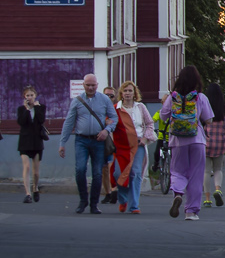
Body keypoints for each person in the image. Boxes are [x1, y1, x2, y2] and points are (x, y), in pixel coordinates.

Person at [159, 65, 215, 221]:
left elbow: (163, 116)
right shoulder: (200, 97)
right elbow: (209, 119)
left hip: (177, 141)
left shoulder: (172, 97)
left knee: (178, 171)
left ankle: (178, 193)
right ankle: (191, 211)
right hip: (197, 140)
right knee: (196, 175)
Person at [58, 74, 117, 214]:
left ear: (97, 85)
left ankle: (94, 204)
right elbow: (69, 122)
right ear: (83, 85)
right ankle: (83, 200)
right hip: (81, 140)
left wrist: (107, 130)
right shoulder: (77, 100)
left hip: (98, 141)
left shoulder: (104, 99)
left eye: (93, 85)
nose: (90, 88)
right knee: (80, 169)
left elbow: (114, 117)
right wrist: (62, 142)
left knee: (97, 172)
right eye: (88, 85)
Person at [115, 81, 154, 213]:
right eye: (125, 91)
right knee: (118, 173)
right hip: (122, 146)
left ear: (134, 93)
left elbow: (149, 123)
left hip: (138, 145)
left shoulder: (140, 107)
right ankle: (123, 199)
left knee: (135, 173)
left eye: (130, 91)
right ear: (121, 93)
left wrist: (145, 138)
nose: (127, 93)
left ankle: (134, 205)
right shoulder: (116, 108)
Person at [201, 82, 225, 208]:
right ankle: (218, 189)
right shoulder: (224, 109)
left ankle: (207, 198)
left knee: (206, 171)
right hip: (220, 143)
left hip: (205, 142)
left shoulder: (204, 107)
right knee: (218, 169)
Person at [16, 86, 46, 203]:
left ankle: (35, 188)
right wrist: (27, 109)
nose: (29, 97)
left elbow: (41, 120)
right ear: (24, 97)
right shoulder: (21, 109)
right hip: (25, 141)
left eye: (31, 95)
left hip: (37, 141)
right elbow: (21, 122)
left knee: (36, 172)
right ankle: (27, 193)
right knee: (27, 166)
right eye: (27, 95)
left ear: (35, 96)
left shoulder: (41, 107)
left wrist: (36, 108)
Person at [99, 86, 120, 204]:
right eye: (106, 95)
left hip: (115, 142)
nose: (108, 98)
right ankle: (108, 192)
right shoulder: (99, 109)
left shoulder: (117, 109)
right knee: (104, 169)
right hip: (103, 141)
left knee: (112, 166)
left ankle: (114, 190)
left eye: (111, 96)